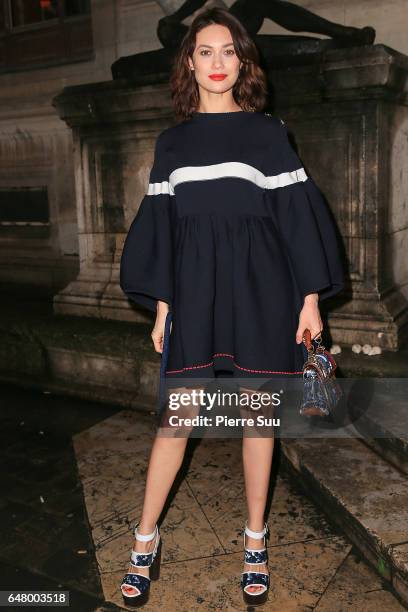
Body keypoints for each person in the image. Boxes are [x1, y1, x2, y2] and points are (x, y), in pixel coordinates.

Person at [119, 6, 344, 607]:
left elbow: (298, 222)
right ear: (189, 63)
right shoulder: (172, 144)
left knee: (256, 420)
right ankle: (145, 540)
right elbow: (161, 230)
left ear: (243, 61)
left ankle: (255, 539)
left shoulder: (268, 134)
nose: (217, 63)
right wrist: (164, 305)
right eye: (205, 51)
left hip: (262, 294)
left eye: (228, 51)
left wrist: (310, 300)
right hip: (194, 295)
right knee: (177, 418)